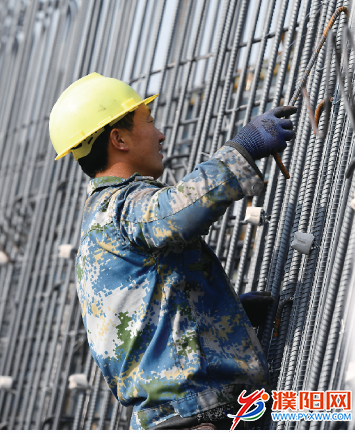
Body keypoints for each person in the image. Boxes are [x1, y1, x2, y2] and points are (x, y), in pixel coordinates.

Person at [49, 72, 296, 430]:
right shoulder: (123, 207)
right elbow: (176, 212)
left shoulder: (99, 219)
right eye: (148, 122)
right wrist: (242, 149)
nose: (161, 134)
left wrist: (223, 324)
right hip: (196, 413)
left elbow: (148, 316)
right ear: (118, 139)